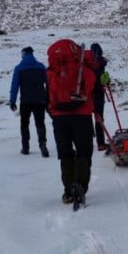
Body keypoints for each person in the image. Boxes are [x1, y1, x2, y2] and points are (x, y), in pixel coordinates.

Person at [46, 39, 97, 207]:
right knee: (84, 152)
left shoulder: (52, 69)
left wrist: (55, 115)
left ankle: (68, 191)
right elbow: (93, 87)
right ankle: (80, 185)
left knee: (65, 153)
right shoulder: (82, 66)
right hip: (81, 115)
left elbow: (47, 98)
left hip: (60, 117)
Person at [9, 46, 49, 157]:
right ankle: (43, 145)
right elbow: (49, 82)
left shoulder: (19, 68)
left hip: (25, 101)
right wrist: (48, 98)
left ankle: (25, 147)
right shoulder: (41, 67)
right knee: (40, 123)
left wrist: (12, 101)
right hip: (40, 100)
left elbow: (15, 86)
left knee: (24, 124)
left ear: (24, 54)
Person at [85, 42, 110, 151]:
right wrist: (107, 80)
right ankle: (100, 143)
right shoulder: (101, 61)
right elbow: (103, 79)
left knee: (85, 117)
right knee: (99, 117)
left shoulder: (84, 62)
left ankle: (86, 142)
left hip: (85, 93)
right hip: (98, 92)